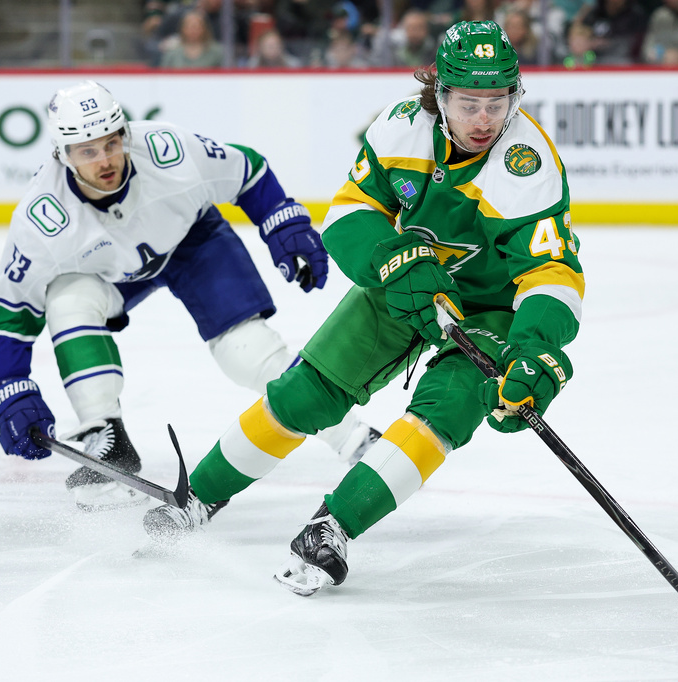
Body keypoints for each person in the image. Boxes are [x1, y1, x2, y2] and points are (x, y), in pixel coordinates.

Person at [142, 21, 584, 597]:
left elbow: (552, 272)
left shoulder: (528, 163)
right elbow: (349, 214)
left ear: (514, 97)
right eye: (469, 102)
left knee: (445, 411)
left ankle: (333, 527)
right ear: (440, 94)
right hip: (402, 278)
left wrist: (532, 348)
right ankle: (199, 495)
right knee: (304, 392)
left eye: (497, 103)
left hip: (491, 308)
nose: (484, 119)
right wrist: (393, 259)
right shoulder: (402, 126)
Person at [0, 81, 379, 512]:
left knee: (249, 352)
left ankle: (354, 437)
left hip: (193, 242)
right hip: (109, 273)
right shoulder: (43, 217)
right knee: (66, 299)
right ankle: (106, 435)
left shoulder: (169, 150)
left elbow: (249, 169)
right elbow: (7, 312)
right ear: (62, 155)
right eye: (87, 151)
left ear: (126, 135)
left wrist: (282, 222)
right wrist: (10, 387)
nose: (106, 160)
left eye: (111, 143)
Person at [159, 8, 224, 68]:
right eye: (189, 26)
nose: (193, 30)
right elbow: (164, 75)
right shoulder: (172, 52)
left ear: (204, 28)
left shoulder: (217, 52)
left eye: (196, 27)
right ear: (182, 29)